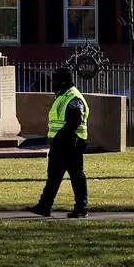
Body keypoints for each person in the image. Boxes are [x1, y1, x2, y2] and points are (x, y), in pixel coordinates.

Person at [27, 68, 89, 218]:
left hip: (70, 142)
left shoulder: (73, 97)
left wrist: (61, 136)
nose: (52, 83)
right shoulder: (63, 95)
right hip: (63, 142)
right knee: (55, 175)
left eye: (54, 80)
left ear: (63, 81)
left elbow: (75, 120)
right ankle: (45, 206)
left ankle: (80, 208)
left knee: (75, 176)